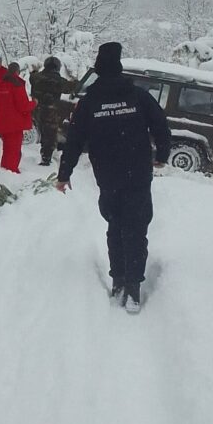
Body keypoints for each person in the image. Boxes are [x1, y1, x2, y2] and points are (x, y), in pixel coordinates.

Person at [55, 41, 170, 312]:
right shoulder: (139, 96)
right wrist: (162, 155)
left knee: (116, 225)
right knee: (137, 227)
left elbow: (74, 140)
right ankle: (133, 288)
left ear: (97, 70)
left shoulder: (89, 102)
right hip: (138, 173)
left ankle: (119, 280)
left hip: (108, 176)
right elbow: (161, 126)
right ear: (119, 68)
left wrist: (64, 174)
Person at [29, 55, 78, 165]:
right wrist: (75, 80)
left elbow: (31, 78)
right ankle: (46, 159)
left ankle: (44, 153)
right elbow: (71, 87)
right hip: (51, 112)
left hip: (36, 110)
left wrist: (34, 72)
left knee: (41, 131)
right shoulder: (59, 80)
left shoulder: (37, 77)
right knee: (50, 136)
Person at [0, 62, 35, 173]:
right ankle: (11, 172)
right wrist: (34, 103)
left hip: (2, 122)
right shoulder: (17, 84)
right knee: (14, 150)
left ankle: (4, 169)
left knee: (7, 149)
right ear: (17, 72)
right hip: (14, 124)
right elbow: (23, 106)